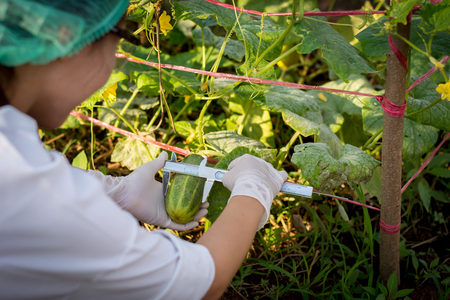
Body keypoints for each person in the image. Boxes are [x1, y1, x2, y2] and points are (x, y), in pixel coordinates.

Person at [0, 0, 288, 299]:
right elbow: (199, 283)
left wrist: (114, 191)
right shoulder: (36, 191)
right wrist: (253, 193)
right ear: (63, 35)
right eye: (121, 38)